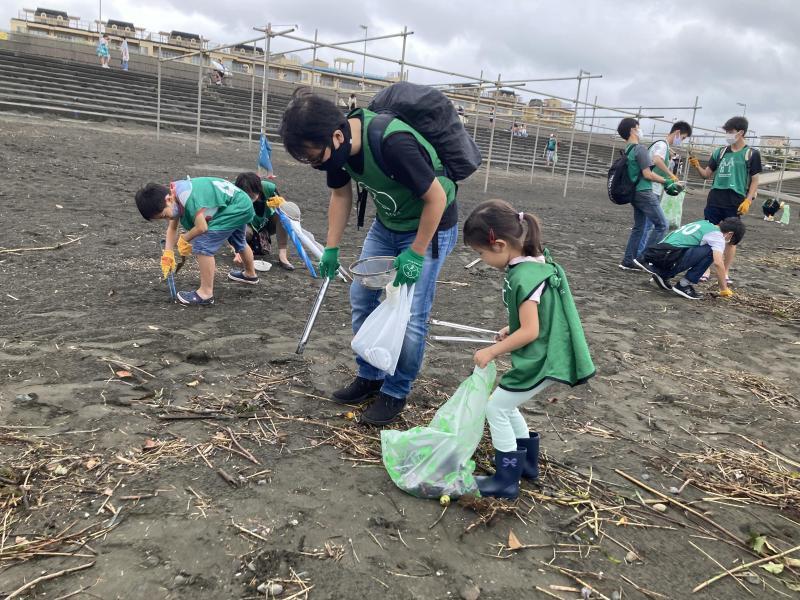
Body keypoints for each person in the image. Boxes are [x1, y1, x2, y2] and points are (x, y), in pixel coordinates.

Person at [279, 89, 460, 425]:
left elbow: (436, 199)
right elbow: (340, 194)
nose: (316, 165)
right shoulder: (339, 149)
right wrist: (331, 247)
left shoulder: (393, 143)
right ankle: (370, 375)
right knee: (362, 297)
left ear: (336, 136)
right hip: (387, 225)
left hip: (429, 226)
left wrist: (416, 253)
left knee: (410, 315)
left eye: (315, 157)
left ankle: (396, 391)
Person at [463, 199, 595, 499]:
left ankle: (506, 480)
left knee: (495, 408)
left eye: (481, 253)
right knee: (506, 405)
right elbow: (538, 315)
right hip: (550, 350)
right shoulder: (535, 263)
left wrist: (492, 351)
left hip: (545, 358)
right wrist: (513, 327)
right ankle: (527, 465)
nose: (482, 259)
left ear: (498, 245)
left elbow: (531, 331)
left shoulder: (523, 276)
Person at [135, 177, 257, 305]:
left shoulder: (187, 197)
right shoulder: (174, 195)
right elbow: (172, 228)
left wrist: (184, 238)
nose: (167, 218)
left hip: (237, 206)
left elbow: (202, 227)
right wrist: (168, 253)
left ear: (168, 199)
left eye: (164, 215)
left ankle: (205, 294)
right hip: (239, 203)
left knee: (203, 244)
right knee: (238, 240)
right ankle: (250, 274)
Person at [688, 116, 762, 280]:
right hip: (716, 197)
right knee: (709, 233)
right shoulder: (720, 152)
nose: (728, 135)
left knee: (731, 238)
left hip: (735, 199)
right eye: (727, 131)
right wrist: (697, 166)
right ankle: (705, 269)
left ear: (740, 132)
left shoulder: (751, 154)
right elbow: (706, 174)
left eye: (730, 131)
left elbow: (755, 180)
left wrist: (748, 200)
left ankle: (725, 271)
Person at [615, 117, 682, 271]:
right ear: (633, 130)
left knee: (639, 227)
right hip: (644, 191)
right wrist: (667, 181)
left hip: (633, 193)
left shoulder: (628, 149)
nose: (640, 130)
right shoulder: (640, 149)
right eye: (638, 127)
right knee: (662, 225)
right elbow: (648, 174)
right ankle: (644, 258)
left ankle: (628, 261)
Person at [642, 218, 744, 300]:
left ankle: (663, 274)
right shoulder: (717, 236)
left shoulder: (704, 223)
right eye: (730, 240)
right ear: (730, 234)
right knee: (710, 251)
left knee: (696, 246)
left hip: (658, 255)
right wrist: (724, 289)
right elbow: (718, 263)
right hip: (668, 257)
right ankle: (684, 285)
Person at [637, 121, 693, 250]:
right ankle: (644, 254)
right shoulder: (662, 145)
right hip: (651, 189)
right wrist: (671, 175)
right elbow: (657, 160)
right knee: (657, 225)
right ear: (677, 132)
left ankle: (639, 254)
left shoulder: (663, 146)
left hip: (651, 188)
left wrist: (669, 179)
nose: (681, 141)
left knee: (645, 226)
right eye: (682, 138)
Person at [233, 172, 295, 270]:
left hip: (265, 223)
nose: (248, 198)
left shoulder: (269, 189)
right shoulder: (234, 192)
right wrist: (236, 251)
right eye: (245, 195)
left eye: (251, 195)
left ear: (259, 189)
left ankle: (283, 256)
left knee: (283, 216)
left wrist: (281, 204)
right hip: (246, 226)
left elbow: (284, 209)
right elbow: (229, 223)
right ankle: (242, 248)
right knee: (244, 232)